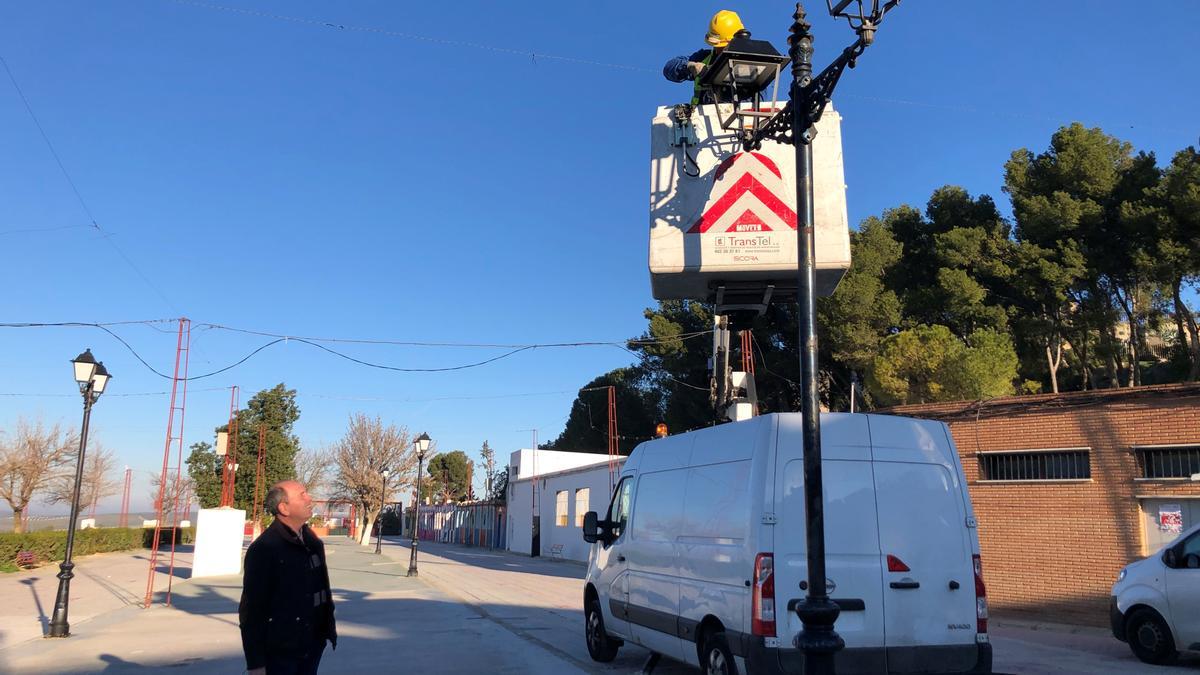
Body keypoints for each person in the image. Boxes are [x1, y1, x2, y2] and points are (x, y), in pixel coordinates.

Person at [239, 480, 337, 675]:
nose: (309, 499)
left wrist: (326, 631)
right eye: (302, 495)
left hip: (313, 643)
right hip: (282, 651)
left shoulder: (312, 542)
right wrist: (256, 664)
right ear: (284, 508)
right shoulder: (265, 549)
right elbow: (252, 611)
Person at [662, 10, 746, 105]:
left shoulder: (752, 67)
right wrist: (689, 66)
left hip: (736, 118)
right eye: (716, 46)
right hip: (701, 118)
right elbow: (669, 68)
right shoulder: (705, 58)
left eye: (722, 46)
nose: (718, 50)